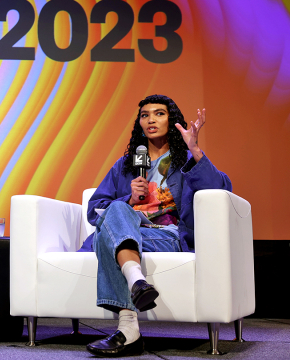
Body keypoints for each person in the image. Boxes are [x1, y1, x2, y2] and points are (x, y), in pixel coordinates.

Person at [78, 95, 232, 357]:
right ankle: (137, 282)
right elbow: (95, 209)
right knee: (116, 208)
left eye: (159, 113)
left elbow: (220, 190)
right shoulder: (125, 165)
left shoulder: (184, 159)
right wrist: (127, 197)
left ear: (171, 120)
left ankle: (128, 328)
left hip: (166, 236)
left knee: (107, 237)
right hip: (130, 232)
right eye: (145, 115)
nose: (150, 119)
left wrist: (195, 150)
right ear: (139, 123)